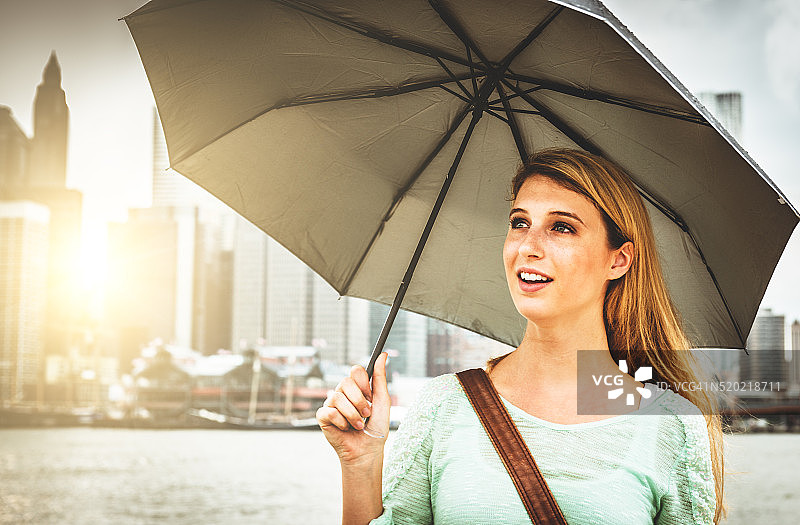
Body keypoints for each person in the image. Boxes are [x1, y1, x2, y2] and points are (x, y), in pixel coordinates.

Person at [317, 148, 724, 524]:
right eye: (519, 222)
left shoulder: (673, 427)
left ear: (618, 260)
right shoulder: (444, 406)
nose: (528, 246)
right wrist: (361, 463)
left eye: (561, 227)